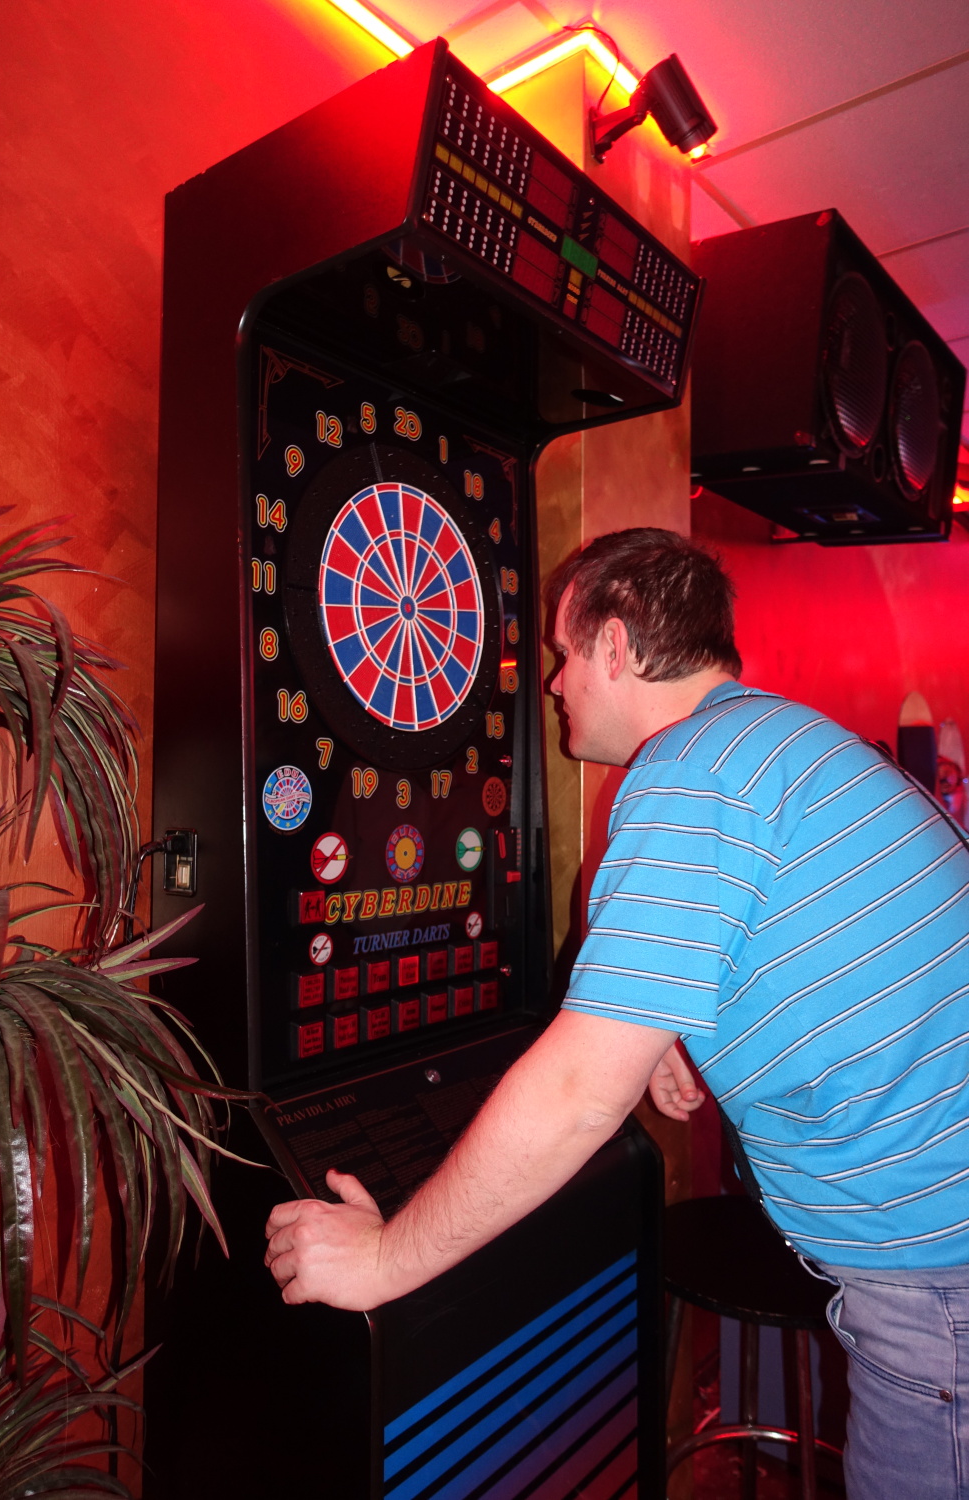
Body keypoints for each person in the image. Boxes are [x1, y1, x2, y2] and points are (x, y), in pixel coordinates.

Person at [265, 527, 969, 1500]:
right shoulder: (775, 741)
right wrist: (671, 1022)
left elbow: (573, 1095)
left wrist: (385, 1257)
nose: (554, 684)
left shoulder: (686, 770)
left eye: (563, 653)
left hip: (941, 1284)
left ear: (616, 644)